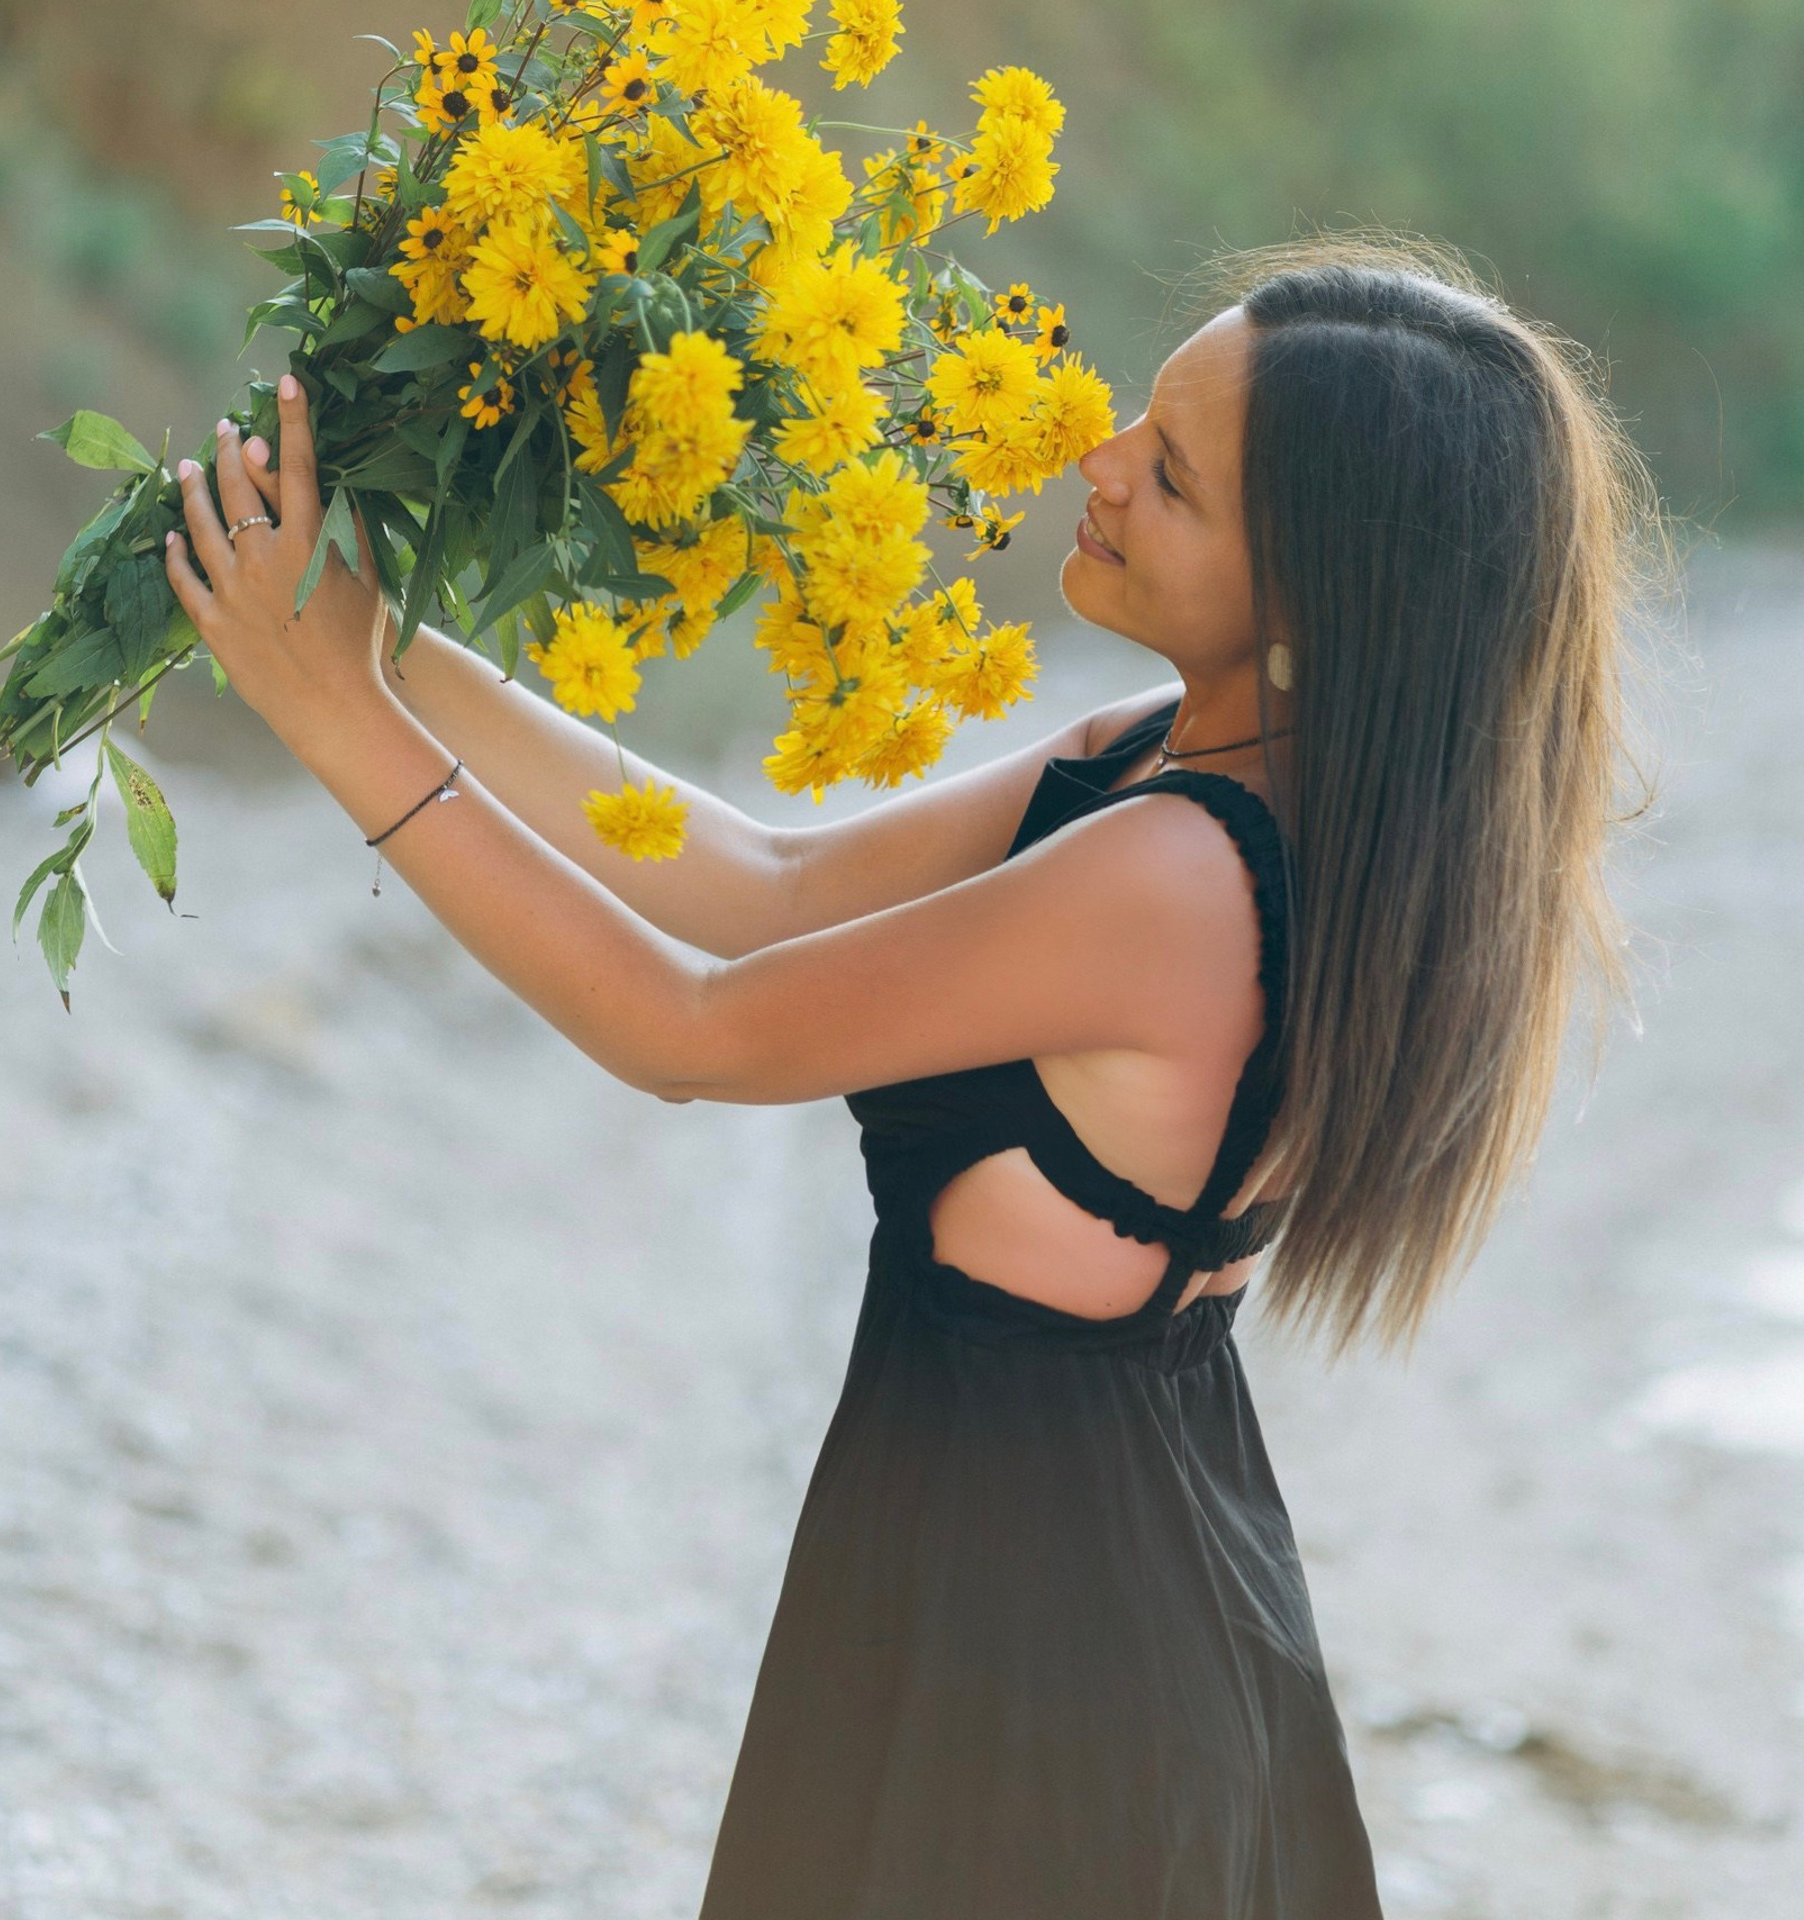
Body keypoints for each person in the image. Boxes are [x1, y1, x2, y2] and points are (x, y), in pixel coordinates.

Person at [166, 230, 1666, 1917]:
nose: (1095, 463)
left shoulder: (1182, 881)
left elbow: (698, 1026)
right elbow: (763, 882)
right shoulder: (1163, 769)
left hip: (1051, 1663)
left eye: (1165, 476)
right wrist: (360, 635)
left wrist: (339, 728)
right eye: (1140, 420)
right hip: (1056, 1578)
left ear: (1316, 590)